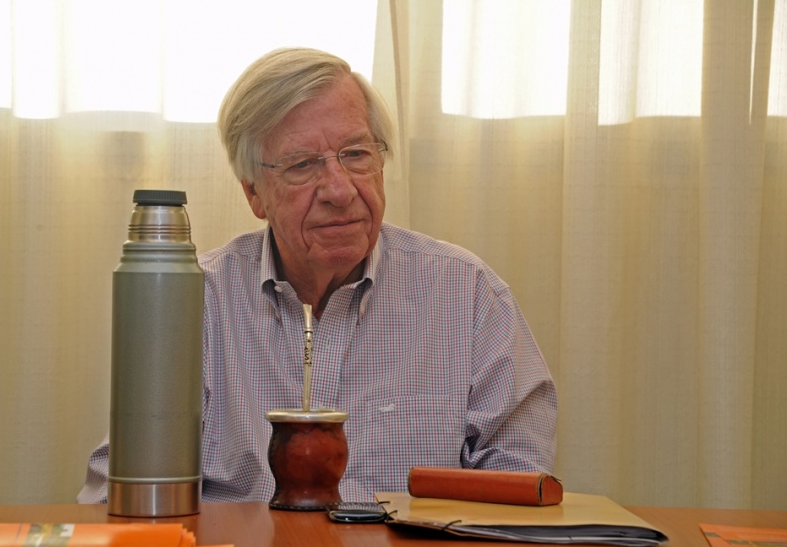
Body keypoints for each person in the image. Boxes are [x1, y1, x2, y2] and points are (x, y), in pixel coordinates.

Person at [78, 47, 557, 504]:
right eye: (303, 165)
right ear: (254, 193)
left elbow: (517, 498)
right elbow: (118, 498)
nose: (339, 190)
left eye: (356, 154)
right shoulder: (195, 301)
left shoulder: (467, 295)